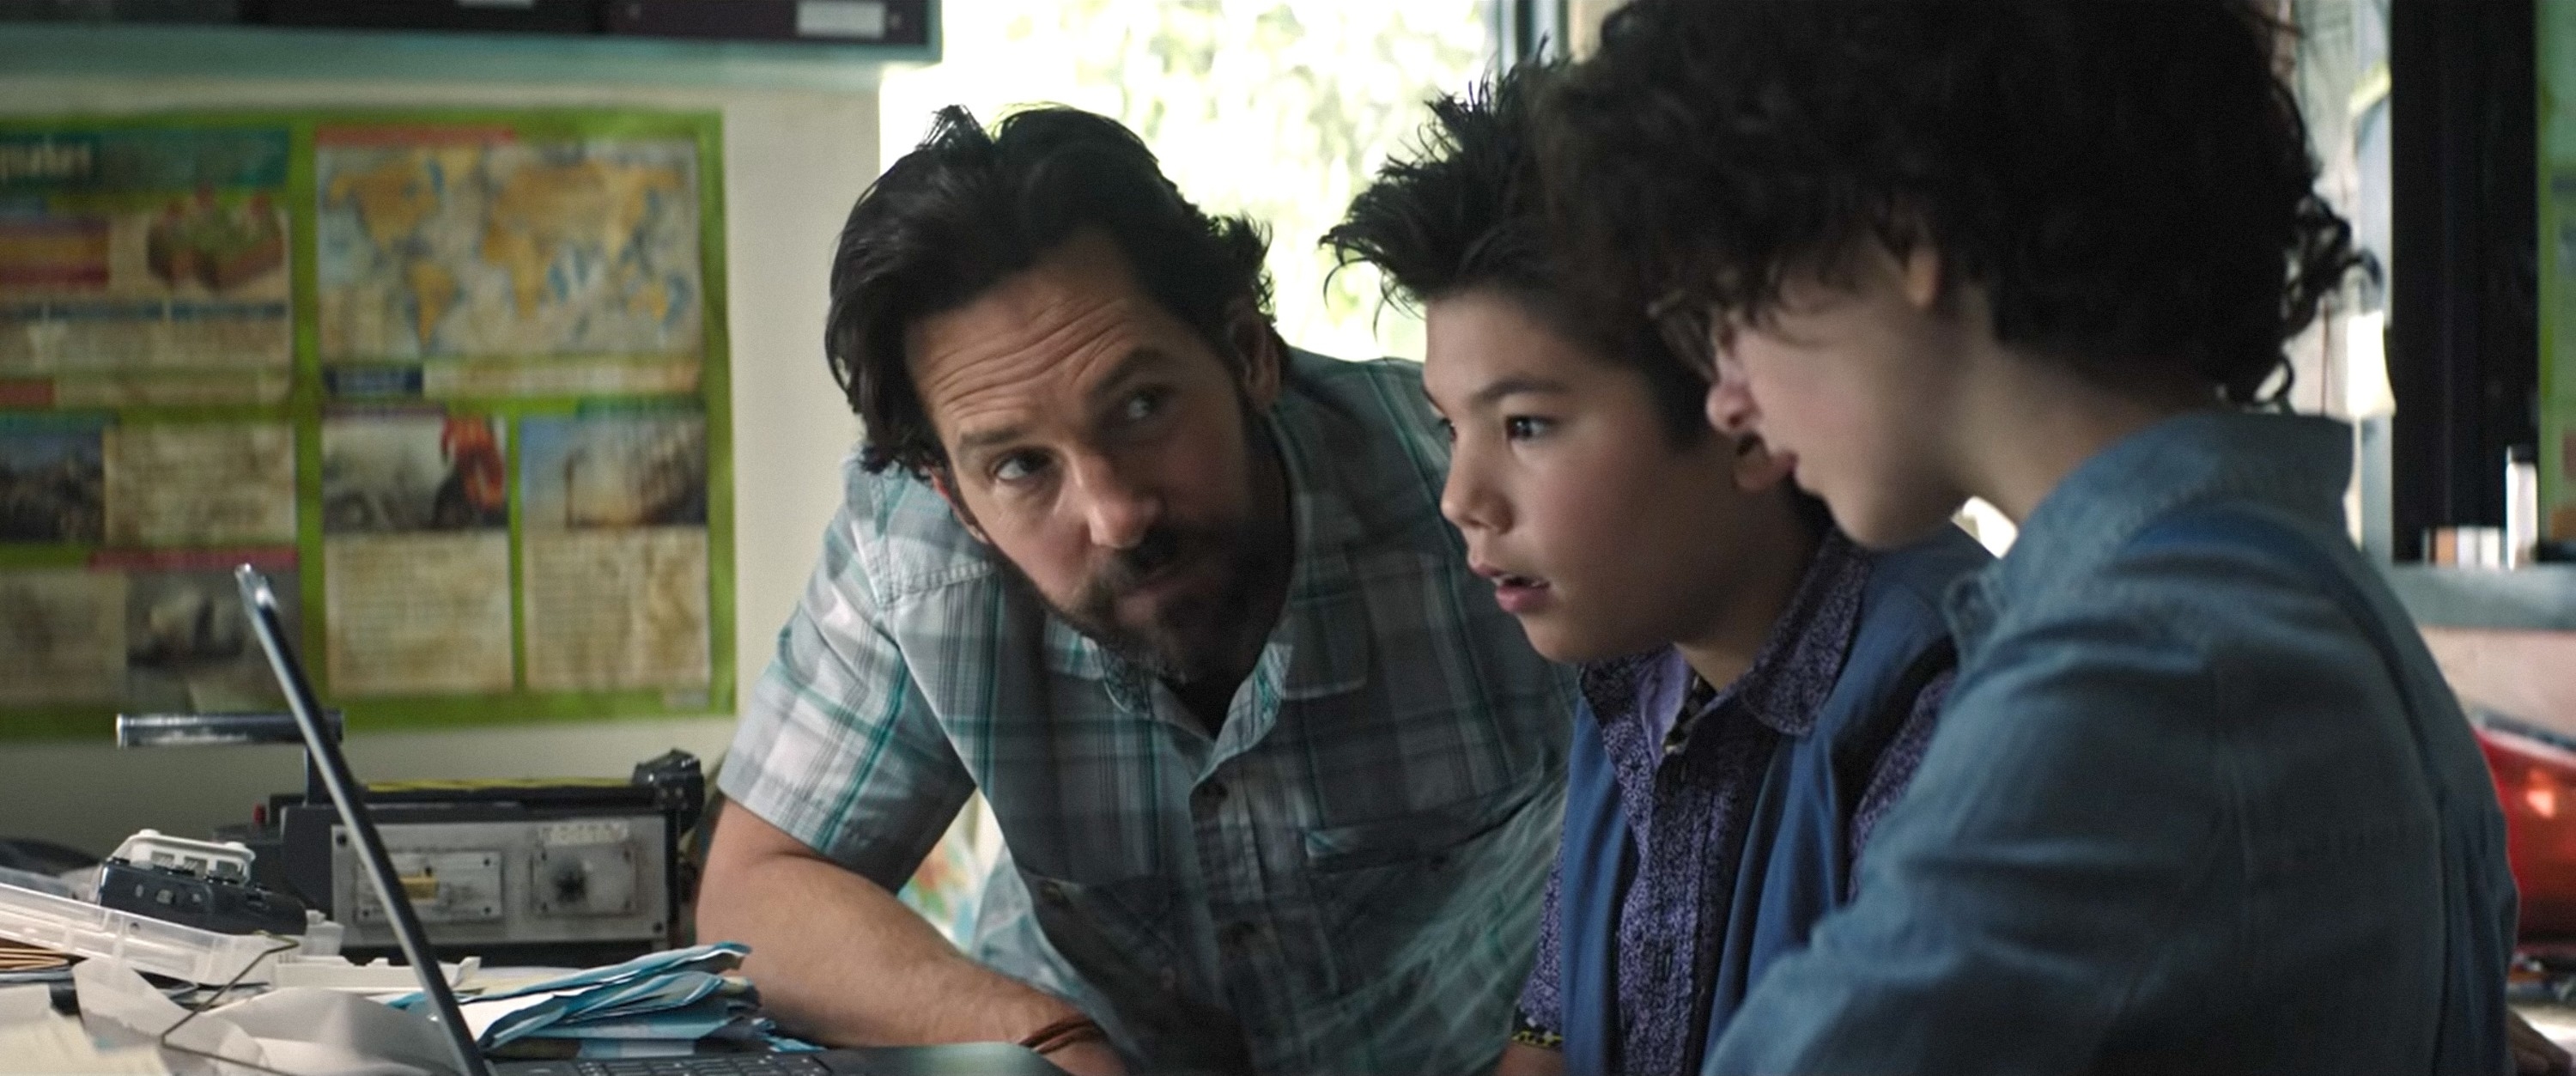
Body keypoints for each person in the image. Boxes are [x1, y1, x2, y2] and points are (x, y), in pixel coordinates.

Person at [1542, 1, 2524, 1072]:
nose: (1726, 397)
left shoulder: (2138, 671)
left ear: (1899, 225)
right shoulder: (2292, 596)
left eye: (1728, 308)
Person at [694, 105, 1571, 1076]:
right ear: (955, 494)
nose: (1115, 515)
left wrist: (1555, 1037)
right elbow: (755, 895)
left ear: (1248, 350)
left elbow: (1696, 789)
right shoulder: (917, 556)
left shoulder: (1477, 483)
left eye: (1142, 406)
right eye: (1022, 467)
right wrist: (1045, 1039)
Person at [1324, 64, 1988, 1076]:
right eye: (1450, 426)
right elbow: (1548, 1035)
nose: (1462, 496)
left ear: (1745, 414)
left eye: (1527, 425)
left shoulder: (1946, 716)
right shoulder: (1635, 676)